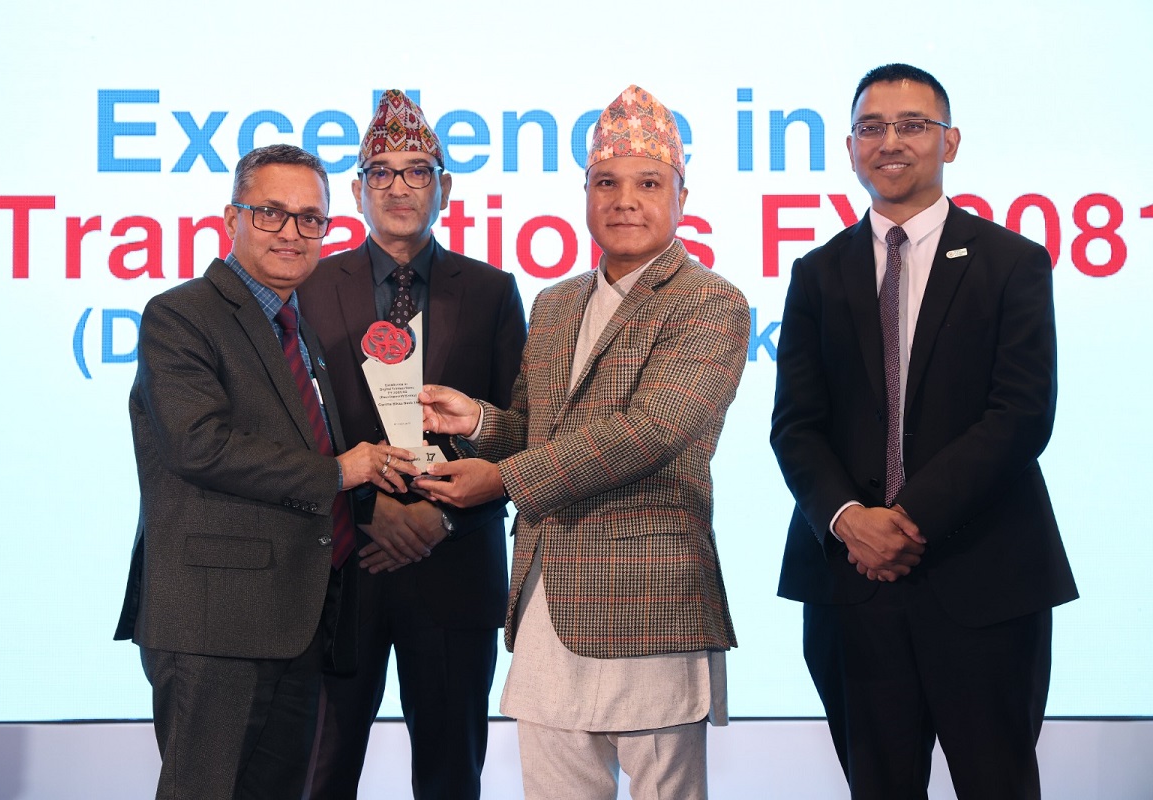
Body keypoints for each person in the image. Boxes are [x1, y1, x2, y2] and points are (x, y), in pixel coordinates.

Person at [415, 85, 750, 800]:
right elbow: (533, 429)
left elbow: (652, 431)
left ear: (683, 197)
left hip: (649, 600)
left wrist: (504, 481)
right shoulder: (556, 301)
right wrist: (477, 422)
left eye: (648, 184)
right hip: (546, 598)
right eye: (606, 183)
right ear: (586, 194)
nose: (624, 201)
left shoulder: (709, 301)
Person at [770, 64, 1078, 799]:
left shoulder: (1012, 262)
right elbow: (795, 425)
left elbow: (1021, 414)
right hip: (852, 585)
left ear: (951, 142)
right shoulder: (817, 272)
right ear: (851, 147)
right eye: (871, 127)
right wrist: (851, 522)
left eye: (912, 125)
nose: (891, 142)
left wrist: (904, 521)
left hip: (985, 578)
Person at [114, 143, 418, 800]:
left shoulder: (296, 326)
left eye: (311, 219)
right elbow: (199, 445)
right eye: (271, 213)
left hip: (295, 618)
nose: (292, 232)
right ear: (232, 218)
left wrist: (383, 495)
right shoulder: (182, 314)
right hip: (215, 621)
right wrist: (340, 473)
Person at [296, 90, 526, 800]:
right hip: (341, 568)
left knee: (451, 776)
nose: (399, 187)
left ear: (444, 188)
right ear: (357, 192)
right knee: (320, 772)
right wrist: (368, 512)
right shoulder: (308, 286)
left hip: (453, 568)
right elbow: (294, 426)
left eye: (417, 171)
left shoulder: (491, 291)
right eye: (382, 172)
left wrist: (443, 518)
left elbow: (520, 429)